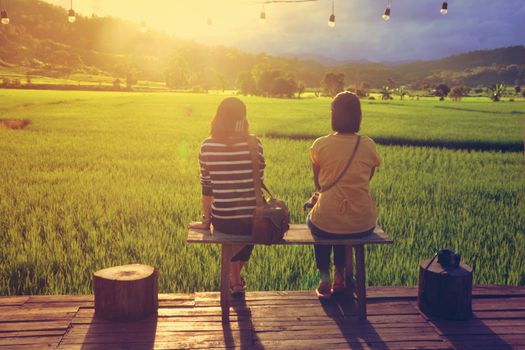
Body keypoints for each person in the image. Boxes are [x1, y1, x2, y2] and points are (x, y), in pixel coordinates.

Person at [306, 91, 381, 299]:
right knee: (342, 227)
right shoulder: (368, 145)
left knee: (319, 224)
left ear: (334, 115)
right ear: (358, 115)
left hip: (328, 219)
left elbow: (319, 183)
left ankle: (324, 277)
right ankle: (340, 275)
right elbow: (367, 177)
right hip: (362, 222)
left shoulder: (320, 145)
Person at [189, 97, 265, 295]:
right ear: (243, 119)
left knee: (233, 239)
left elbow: (207, 188)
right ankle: (235, 280)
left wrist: (206, 221)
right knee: (248, 236)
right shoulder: (254, 143)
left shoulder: (207, 146)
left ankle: (234, 280)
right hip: (252, 217)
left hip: (222, 218)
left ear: (218, 117)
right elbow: (260, 178)